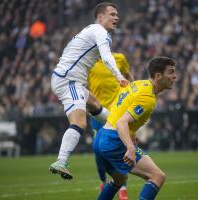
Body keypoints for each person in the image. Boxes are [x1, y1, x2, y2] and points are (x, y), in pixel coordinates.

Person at [49, 2, 129, 180]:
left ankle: (116, 127)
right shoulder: (99, 31)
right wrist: (119, 76)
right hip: (69, 81)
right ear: (100, 17)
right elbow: (107, 57)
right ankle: (61, 161)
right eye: (112, 14)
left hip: (67, 79)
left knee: (94, 105)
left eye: (117, 14)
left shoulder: (92, 31)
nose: (116, 17)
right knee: (80, 122)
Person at [93, 56, 177, 200]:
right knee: (157, 176)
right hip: (113, 140)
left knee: (119, 180)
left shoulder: (138, 84)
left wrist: (131, 133)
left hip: (101, 137)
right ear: (158, 76)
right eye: (171, 72)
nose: (174, 76)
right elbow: (121, 123)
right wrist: (130, 147)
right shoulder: (147, 98)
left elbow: (119, 108)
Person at [88, 53, 133, 200]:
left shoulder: (119, 58)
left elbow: (128, 75)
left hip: (116, 111)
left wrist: (133, 92)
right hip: (97, 112)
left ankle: (123, 187)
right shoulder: (88, 62)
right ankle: (104, 181)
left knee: (121, 147)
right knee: (98, 150)